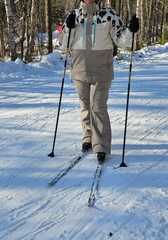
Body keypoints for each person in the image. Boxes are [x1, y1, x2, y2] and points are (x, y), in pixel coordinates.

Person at [58, 0, 139, 163]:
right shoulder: (74, 15)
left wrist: (130, 30)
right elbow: (63, 44)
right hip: (79, 68)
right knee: (85, 105)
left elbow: (122, 41)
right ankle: (87, 138)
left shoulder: (109, 15)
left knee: (98, 106)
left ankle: (101, 146)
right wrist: (67, 27)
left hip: (102, 69)